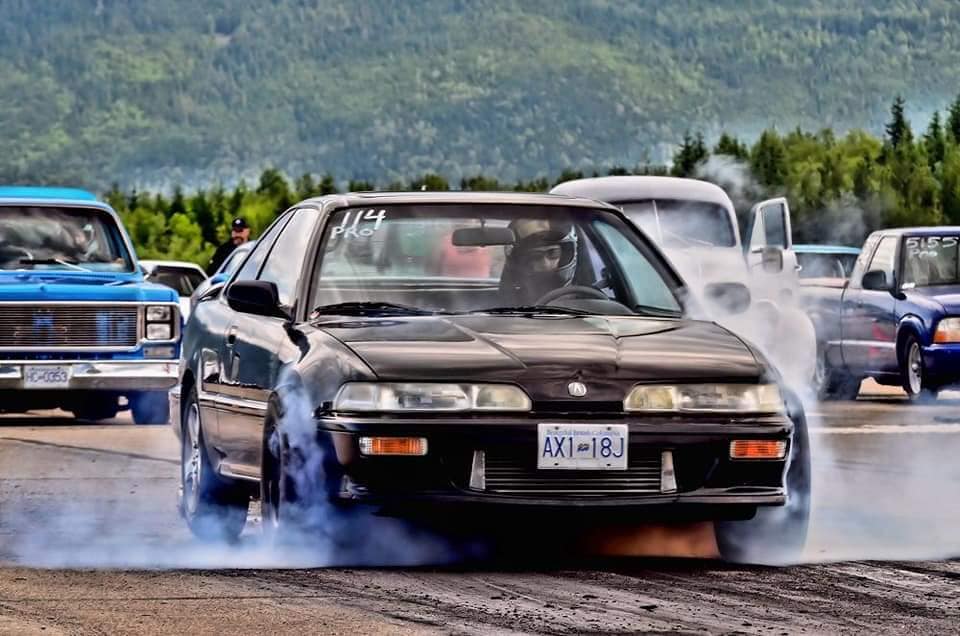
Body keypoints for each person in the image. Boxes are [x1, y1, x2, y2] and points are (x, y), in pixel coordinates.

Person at [499, 219, 578, 305]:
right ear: (523, 261)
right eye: (535, 256)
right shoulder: (511, 302)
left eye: (553, 253)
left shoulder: (582, 298)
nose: (546, 264)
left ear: (564, 255)